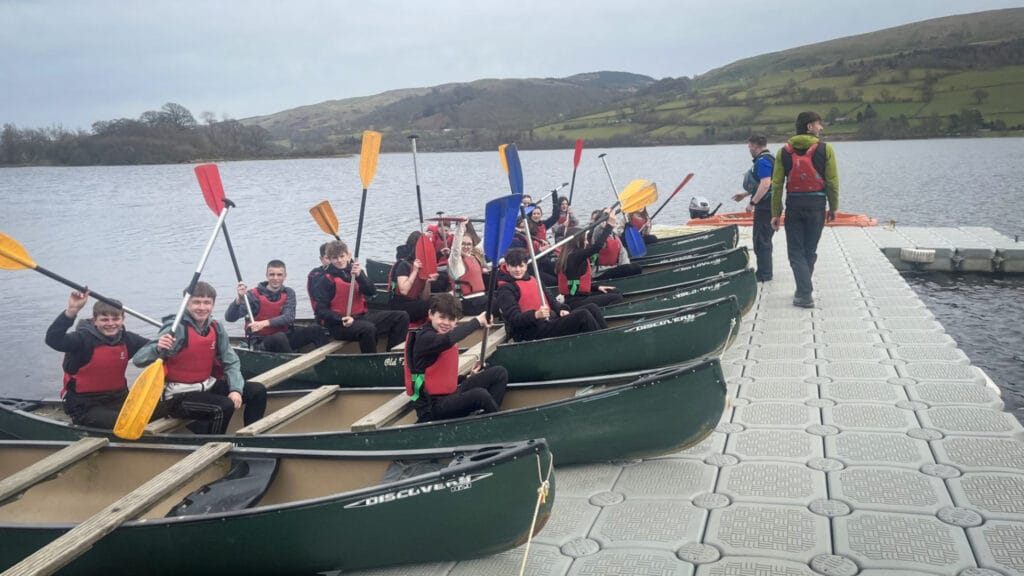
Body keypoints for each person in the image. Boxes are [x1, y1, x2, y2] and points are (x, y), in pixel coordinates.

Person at [133, 282, 267, 435]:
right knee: (223, 406)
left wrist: (236, 389)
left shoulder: (215, 327)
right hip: (176, 397)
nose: (202, 307)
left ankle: (251, 439)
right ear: (186, 304)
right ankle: (214, 448)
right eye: (196, 302)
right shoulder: (176, 328)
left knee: (257, 390)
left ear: (213, 304)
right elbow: (138, 360)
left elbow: (231, 361)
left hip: (206, 386)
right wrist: (157, 348)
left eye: (207, 303)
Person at [44, 290, 150, 429]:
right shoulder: (81, 339)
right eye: (104, 319)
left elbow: (154, 348)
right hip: (85, 405)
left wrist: (163, 344)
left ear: (123, 319)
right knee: (127, 422)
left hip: (119, 399)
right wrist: (72, 310)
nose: (111, 323)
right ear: (95, 320)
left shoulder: (127, 339)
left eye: (115, 318)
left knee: (163, 408)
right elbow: (53, 340)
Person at [771, 111, 840, 308]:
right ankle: (804, 291)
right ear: (809, 127)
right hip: (817, 207)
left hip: (794, 206)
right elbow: (833, 182)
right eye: (819, 124)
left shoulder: (783, 152)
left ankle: (803, 291)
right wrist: (833, 207)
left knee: (795, 252)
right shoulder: (826, 150)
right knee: (809, 250)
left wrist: (775, 213)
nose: (821, 128)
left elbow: (776, 185)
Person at [404, 293, 508, 422]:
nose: (446, 323)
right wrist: (477, 321)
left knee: (499, 373)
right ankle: (500, 423)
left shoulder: (440, 334)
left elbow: (439, 376)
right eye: (442, 318)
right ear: (431, 314)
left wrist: (467, 377)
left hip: (450, 395)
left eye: (451, 319)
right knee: (480, 395)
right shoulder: (424, 337)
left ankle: (485, 420)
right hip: (432, 407)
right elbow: (447, 341)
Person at [312, 240, 410, 353]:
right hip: (340, 325)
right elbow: (320, 310)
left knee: (402, 317)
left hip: (361, 317)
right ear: (329, 259)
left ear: (348, 255)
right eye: (335, 258)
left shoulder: (355, 271)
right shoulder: (325, 280)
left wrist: (360, 276)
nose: (339, 260)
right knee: (368, 329)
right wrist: (340, 319)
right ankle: (370, 362)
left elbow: (371, 292)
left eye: (341, 256)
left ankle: (391, 355)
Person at [495, 248, 606, 342]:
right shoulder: (505, 289)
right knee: (583, 315)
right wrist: (535, 315)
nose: (518, 270)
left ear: (526, 265)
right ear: (507, 266)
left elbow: (552, 301)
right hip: (530, 330)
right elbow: (514, 319)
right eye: (514, 266)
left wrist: (561, 309)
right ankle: (602, 343)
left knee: (592, 307)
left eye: (521, 265)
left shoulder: (534, 279)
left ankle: (606, 338)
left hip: (548, 321)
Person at [225, 259, 328, 353]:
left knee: (316, 330)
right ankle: (293, 366)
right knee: (279, 337)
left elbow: (289, 317)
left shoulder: (289, 293)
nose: (275, 278)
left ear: (285, 276)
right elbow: (230, 318)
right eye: (272, 275)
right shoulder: (253, 296)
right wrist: (238, 299)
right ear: (266, 275)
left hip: (285, 336)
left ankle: (328, 363)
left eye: (279, 275)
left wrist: (263, 323)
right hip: (262, 341)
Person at [732, 133, 776, 282]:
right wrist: (745, 194)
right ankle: (765, 271)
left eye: (750, 146)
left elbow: (765, 184)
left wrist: (752, 203)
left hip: (765, 207)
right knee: (763, 238)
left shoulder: (763, 161)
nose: (749, 149)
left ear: (756, 146)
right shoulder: (768, 158)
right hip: (769, 205)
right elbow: (761, 185)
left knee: (761, 240)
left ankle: (764, 274)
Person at [555, 218, 625, 309]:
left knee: (615, 291)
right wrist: (610, 225)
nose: (587, 242)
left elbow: (576, 282)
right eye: (584, 240)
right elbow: (597, 247)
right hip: (575, 302)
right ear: (577, 242)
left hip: (581, 296)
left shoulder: (572, 255)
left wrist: (597, 287)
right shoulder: (574, 257)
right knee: (616, 298)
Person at [387, 231, 439, 323]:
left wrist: (428, 283)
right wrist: (414, 272)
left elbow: (424, 298)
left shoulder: (423, 267)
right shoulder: (404, 265)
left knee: (435, 301)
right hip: (399, 305)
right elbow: (404, 290)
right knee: (433, 304)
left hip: (413, 302)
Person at [589, 209, 642, 280]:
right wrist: (604, 218)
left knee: (636, 267)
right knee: (630, 268)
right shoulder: (597, 235)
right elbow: (598, 229)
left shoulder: (615, 236)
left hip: (614, 267)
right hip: (600, 272)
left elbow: (623, 253)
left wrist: (625, 265)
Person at [306, 242, 330, 312]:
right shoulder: (315, 274)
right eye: (327, 258)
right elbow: (316, 296)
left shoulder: (345, 272)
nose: (331, 261)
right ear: (321, 259)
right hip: (324, 315)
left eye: (333, 257)